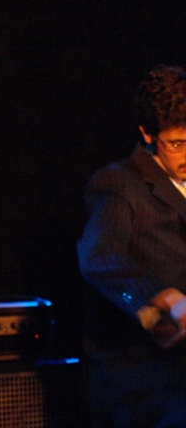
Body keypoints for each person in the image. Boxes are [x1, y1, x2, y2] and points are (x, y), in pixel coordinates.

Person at [78, 64, 186, 427]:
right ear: (147, 133)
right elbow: (99, 257)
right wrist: (158, 300)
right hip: (147, 379)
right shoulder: (119, 183)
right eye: (177, 144)